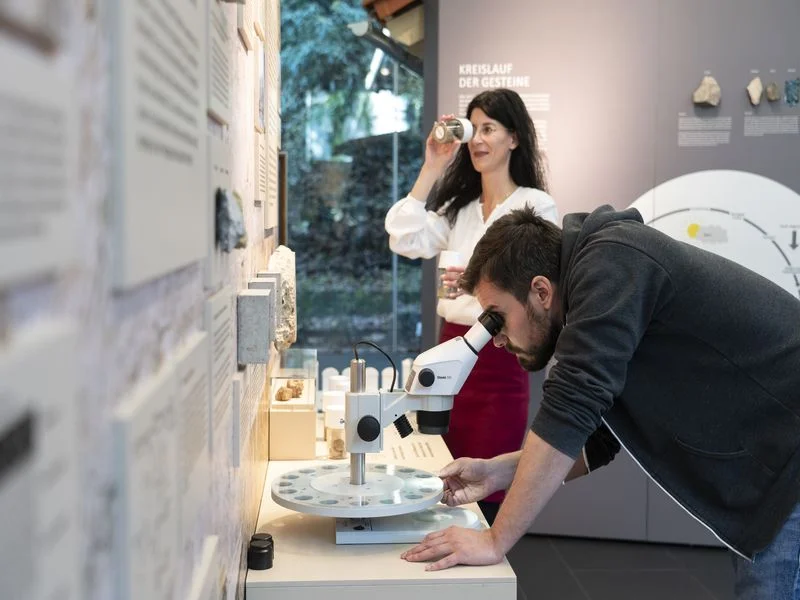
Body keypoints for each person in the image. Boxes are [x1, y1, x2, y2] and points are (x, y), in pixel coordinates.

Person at [401, 205, 800, 600]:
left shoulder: (612, 261)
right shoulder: (604, 277)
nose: (498, 339)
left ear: (541, 290)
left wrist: (494, 539)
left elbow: (571, 406)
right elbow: (600, 440)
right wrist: (499, 471)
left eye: (497, 318)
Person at [384, 88, 559, 523]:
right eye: (473, 129)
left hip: (501, 356)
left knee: (486, 483)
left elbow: (541, 290)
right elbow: (403, 238)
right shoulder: (459, 209)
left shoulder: (536, 205)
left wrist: (470, 289)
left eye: (489, 129)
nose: (478, 139)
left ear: (514, 138)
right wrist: (432, 167)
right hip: (450, 354)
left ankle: (486, 564)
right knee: (444, 473)